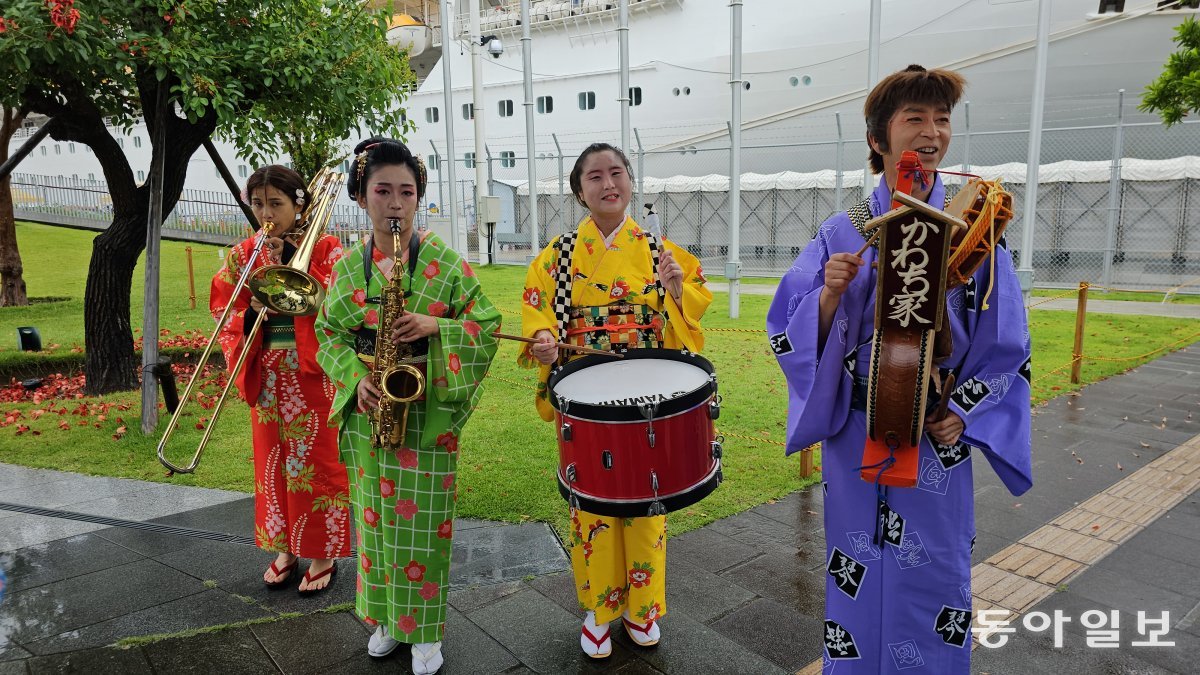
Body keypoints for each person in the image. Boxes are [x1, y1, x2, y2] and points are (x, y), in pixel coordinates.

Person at [768, 65, 1033, 673]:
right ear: (878, 139)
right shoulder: (844, 230)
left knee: (937, 570)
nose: (932, 132)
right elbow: (787, 325)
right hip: (857, 429)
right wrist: (829, 294)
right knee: (855, 568)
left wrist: (964, 411)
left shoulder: (977, 231)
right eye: (914, 118)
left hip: (937, 434)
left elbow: (1007, 341)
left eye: (941, 119)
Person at [315, 138, 500, 675]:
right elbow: (328, 334)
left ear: (419, 198)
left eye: (407, 191)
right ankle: (387, 621)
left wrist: (435, 325)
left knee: (424, 526)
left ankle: (424, 633)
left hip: (427, 416)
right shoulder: (348, 268)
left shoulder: (444, 261)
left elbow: (485, 324)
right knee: (373, 524)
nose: (395, 203)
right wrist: (355, 380)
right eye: (382, 191)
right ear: (361, 196)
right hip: (369, 412)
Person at [519, 143, 712, 659]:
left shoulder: (656, 248)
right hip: (588, 397)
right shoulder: (558, 255)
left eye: (617, 173)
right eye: (595, 177)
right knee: (593, 503)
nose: (609, 184)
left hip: (643, 396)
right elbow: (536, 309)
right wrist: (543, 339)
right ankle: (599, 609)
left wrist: (674, 287)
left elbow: (693, 301)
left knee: (649, 500)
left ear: (629, 181)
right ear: (579, 191)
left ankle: (641, 608)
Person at [210, 165, 349, 595]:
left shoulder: (326, 248)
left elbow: (344, 307)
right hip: (267, 371)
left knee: (318, 466)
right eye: (257, 204)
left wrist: (296, 271)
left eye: (276, 203)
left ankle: (323, 552)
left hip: (312, 373)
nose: (266, 213)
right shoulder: (244, 253)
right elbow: (223, 310)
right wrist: (251, 310)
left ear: (298, 204)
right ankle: (286, 547)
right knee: (274, 465)